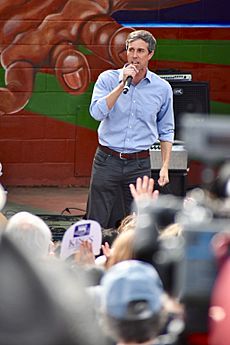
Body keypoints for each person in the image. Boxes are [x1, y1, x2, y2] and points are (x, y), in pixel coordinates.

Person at [86, 29, 174, 229]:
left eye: (140, 51)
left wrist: (165, 165)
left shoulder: (162, 88)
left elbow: (166, 130)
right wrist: (120, 86)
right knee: (96, 218)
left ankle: (132, 257)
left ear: (150, 54)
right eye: (131, 50)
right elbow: (96, 113)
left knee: (138, 221)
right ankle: (91, 257)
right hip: (107, 159)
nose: (134, 55)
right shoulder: (108, 79)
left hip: (139, 162)